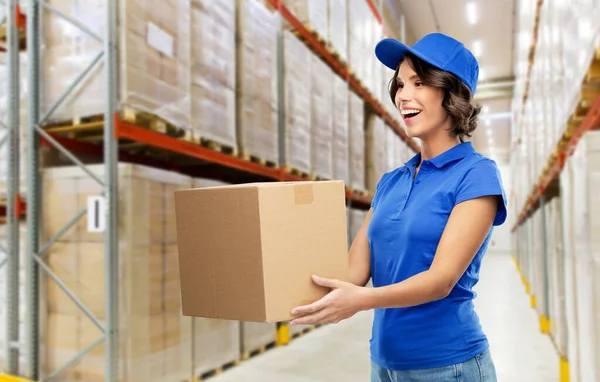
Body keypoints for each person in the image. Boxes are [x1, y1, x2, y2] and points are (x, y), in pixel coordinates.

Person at [289, 32, 507, 381]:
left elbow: (440, 281)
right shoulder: (391, 181)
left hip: (449, 365)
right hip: (385, 364)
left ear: (453, 94)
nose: (403, 95)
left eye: (418, 82)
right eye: (400, 84)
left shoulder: (476, 175)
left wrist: (359, 300)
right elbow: (353, 274)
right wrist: (283, 283)